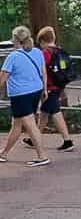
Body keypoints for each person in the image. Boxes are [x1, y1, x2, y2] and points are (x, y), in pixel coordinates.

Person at [1, 25, 51, 167]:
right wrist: (44, 89)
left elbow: (2, 79)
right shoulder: (37, 52)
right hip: (35, 91)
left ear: (15, 39)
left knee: (30, 125)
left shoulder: (12, 57)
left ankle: (42, 156)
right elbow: (43, 72)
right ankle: (4, 153)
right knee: (17, 124)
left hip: (21, 94)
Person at [35, 26, 73, 153]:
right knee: (44, 112)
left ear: (42, 41)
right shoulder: (60, 50)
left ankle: (67, 140)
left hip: (50, 87)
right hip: (59, 84)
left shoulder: (45, 53)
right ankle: (35, 136)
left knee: (55, 112)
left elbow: (41, 69)